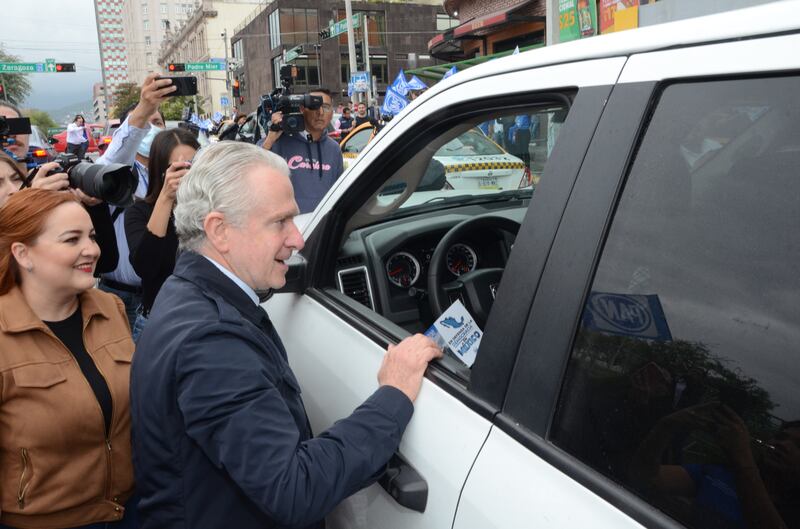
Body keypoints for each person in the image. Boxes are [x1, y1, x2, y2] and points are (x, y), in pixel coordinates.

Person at [130, 142, 442, 529]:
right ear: (219, 230)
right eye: (281, 222)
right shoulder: (211, 341)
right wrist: (393, 395)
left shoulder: (191, 295)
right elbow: (293, 489)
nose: (298, 239)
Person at [0, 188, 137, 529]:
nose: (91, 249)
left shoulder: (111, 309)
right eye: (71, 239)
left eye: (91, 236)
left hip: (129, 511)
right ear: (23, 254)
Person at [95, 73, 175, 326]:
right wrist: (143, 109)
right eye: (146, 123)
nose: (153, 130)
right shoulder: (117, 176)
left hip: (164, 296)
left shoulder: (177, 175)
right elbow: (112, 160)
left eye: (158, 122)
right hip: (116, 297)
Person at [124, 128, 199, 341]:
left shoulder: (212, 210)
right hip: (160, 324)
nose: (186, 173)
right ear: (160, 170)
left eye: (192, 164)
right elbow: (146, 267)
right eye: (177, 166)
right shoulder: (139, 212)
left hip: (207, 320)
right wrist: (166, 198)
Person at [260, 88, 344, 213]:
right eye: (314, 106)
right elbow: (252, 175)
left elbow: (338, 194)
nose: (320, 112)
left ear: (332, 112)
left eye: (326, 107)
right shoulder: (278, 142)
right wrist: (270, 139)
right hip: (288, 226)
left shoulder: (334, 149)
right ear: (302, 109)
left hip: (321, 226)